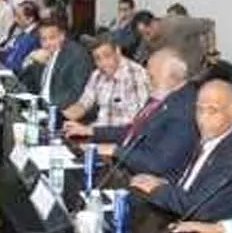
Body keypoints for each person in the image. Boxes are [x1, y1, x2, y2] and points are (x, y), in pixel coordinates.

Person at [64, 48, 199, 181]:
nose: (147, 81)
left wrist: (115, 150)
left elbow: (157, 164)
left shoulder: (185, 111)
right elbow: (133, 131)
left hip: (145, 180)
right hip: (125, 166)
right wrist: (90, 131)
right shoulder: (162, 93)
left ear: (172, 78)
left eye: (151, 77)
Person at [129, 80, 232, 221]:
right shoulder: (213, 134)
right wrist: (163, 182)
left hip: (204, 226)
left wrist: (157, 189)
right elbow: (191, 178)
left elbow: (199, 207)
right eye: (199, 109)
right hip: (179, 213)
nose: (203, 118)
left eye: (212, 110)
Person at [63, 34, 150, 127]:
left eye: (107, 56)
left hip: (121, 133)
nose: (103, 63)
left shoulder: (135, 75)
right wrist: (60, 116)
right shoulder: (97, 75)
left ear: (118, 51)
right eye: (98, 59)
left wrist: (94, 131)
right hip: (98, 129)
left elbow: (138, 121)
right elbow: (83, 104)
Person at [19, 16, 93, 116]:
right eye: (43, 39)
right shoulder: (43, 53)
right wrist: (30, 59)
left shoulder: (77, 55)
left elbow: (76, 92)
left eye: (52, 38)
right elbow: (25, 83)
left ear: (62, 36)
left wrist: (51, 109)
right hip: (38, 109)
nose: (47, 44)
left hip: (59, 113)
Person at [131, 10, 218, 80]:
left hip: (196, 75)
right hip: (174, 81)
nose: (146, 39)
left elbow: (209, 25)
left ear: (153, 23)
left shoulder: (177, 24)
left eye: (147, 33)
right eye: (142, 35)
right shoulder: (146, 39)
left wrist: (211, 52)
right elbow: (138, 59)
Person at [0, 1, 41, 72]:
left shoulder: (33, 37)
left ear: (30, 19)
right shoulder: (24, 33)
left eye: (19, 17)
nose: (15, 20)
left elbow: (15, 62)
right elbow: (12, 51)